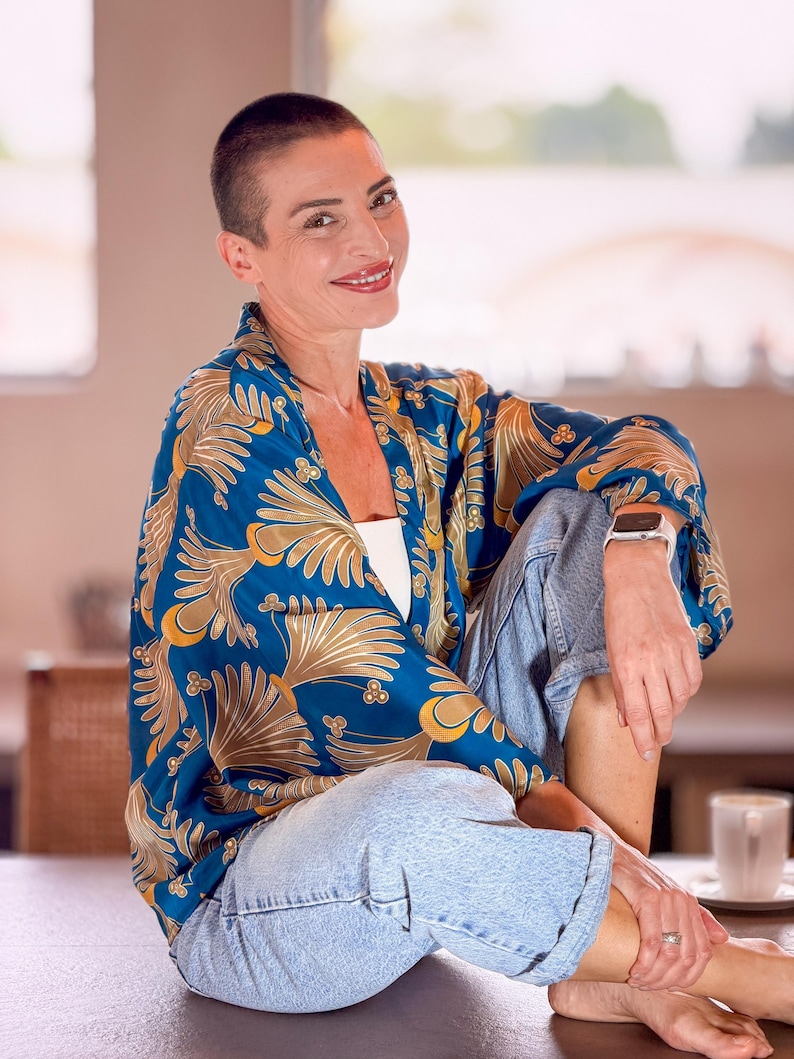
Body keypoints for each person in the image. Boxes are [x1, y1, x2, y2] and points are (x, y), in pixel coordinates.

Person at [126, 93, 790, 1059]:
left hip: (454, 834)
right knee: (421, 804)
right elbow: (388, 703)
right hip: (258, 898)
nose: (371, 236)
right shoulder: (225, 422)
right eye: (321, 219)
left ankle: (602, 975)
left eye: (381, 198)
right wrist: (616, 868)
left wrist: (638, 549)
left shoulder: (427, 413)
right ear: (244, 258)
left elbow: (643, 444)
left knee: (589, 515)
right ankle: (722, 967)